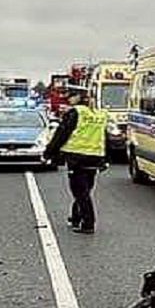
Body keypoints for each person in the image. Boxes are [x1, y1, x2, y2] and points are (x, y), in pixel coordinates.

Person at [45, 86, 107, 233]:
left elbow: (62, 134)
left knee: (80, 192)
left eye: (71, 97)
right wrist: (105, 159)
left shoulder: (75, 113)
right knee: (85, 189)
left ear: (78, 98)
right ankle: (76, 217)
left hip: (77, 157)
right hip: (95, 157)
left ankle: (88, 223)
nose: (68, 99)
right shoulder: (100, 115)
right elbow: (105, 138)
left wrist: (49, 152)